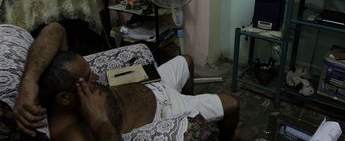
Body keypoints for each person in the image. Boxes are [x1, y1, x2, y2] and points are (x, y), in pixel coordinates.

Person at [13, 22, 240, 141]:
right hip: (167, 109)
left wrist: (29, 82)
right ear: (64, 98)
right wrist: (102, 125)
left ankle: (193, 105)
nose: (96, 77)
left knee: (187, 60)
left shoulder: (57, 84)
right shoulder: (71, 133)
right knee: (232, 104)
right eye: (88, 77)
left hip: (151, 86)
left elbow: (55, 29)